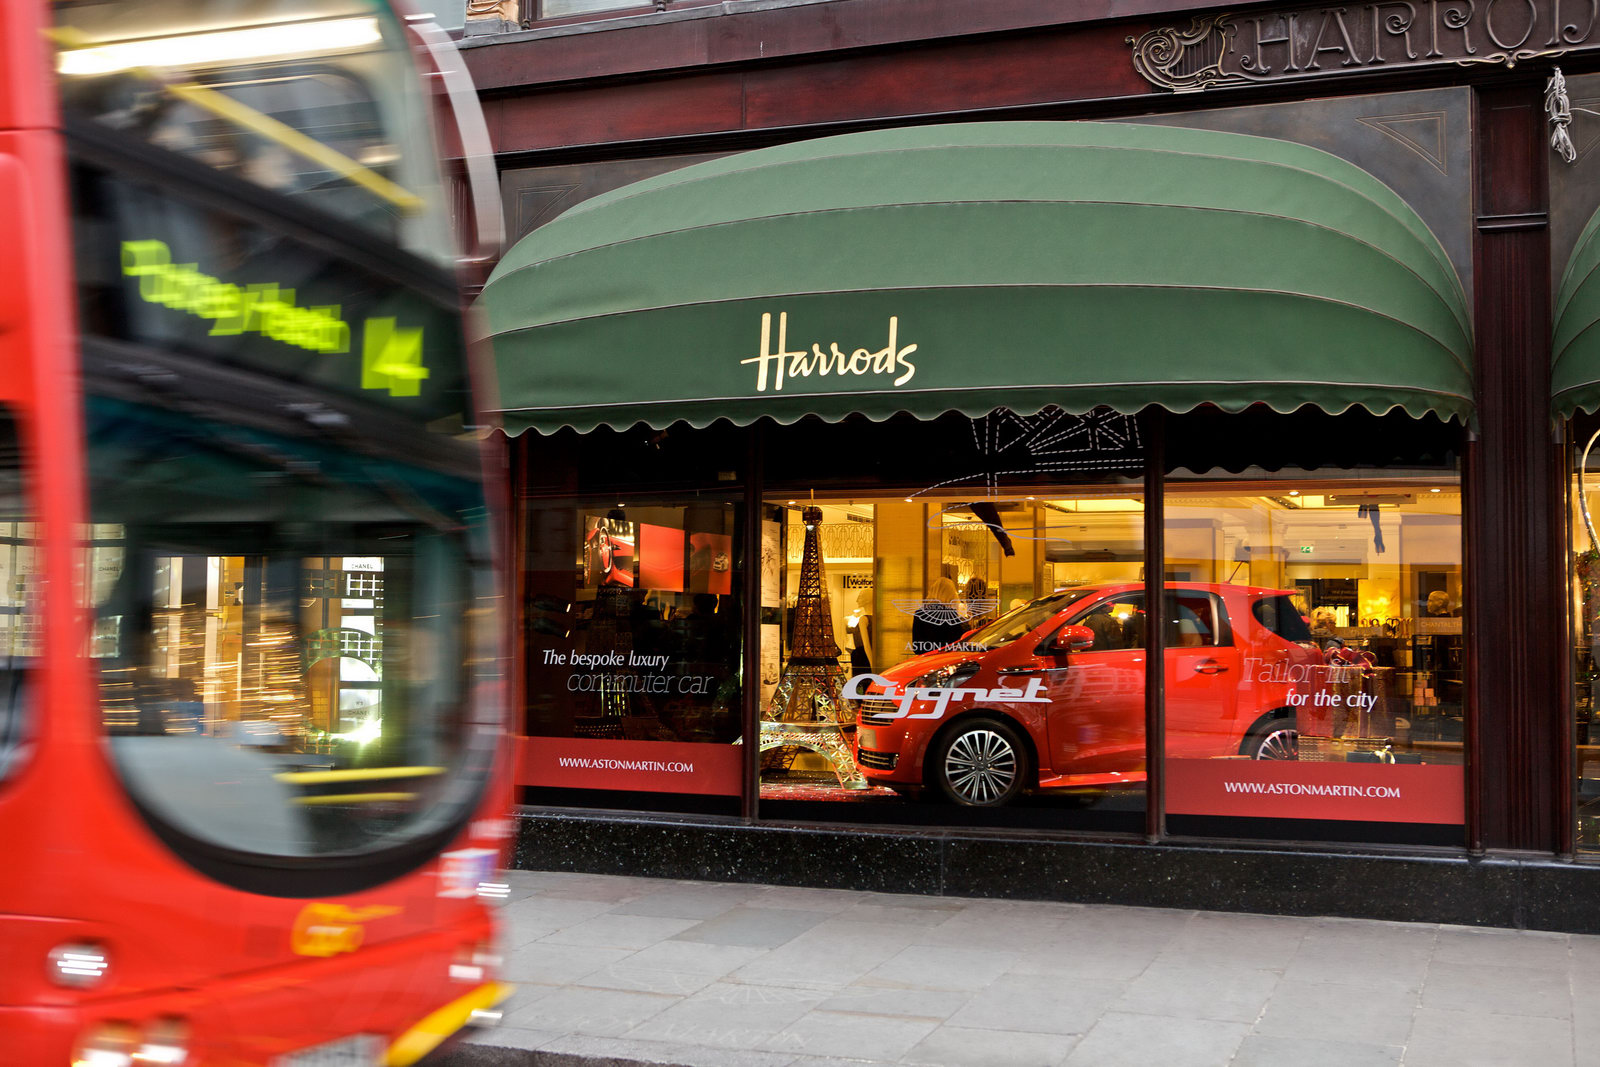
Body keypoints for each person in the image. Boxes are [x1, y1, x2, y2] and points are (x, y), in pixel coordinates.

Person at [911, 576, 968, 654]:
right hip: (943, 659)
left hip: (925, 660)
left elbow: (916, 646)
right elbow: (957, 641)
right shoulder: (950, 615)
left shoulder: (919, 613)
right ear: (950, 594)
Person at [846, 587, 875, 675]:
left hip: (863, 658)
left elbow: (866, 645)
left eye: (860, 596)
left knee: (861, 685)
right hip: (868, 656)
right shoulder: (874, 618)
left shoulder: (864, 619)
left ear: (868, 599)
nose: (857, 600)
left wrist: (872, 665)